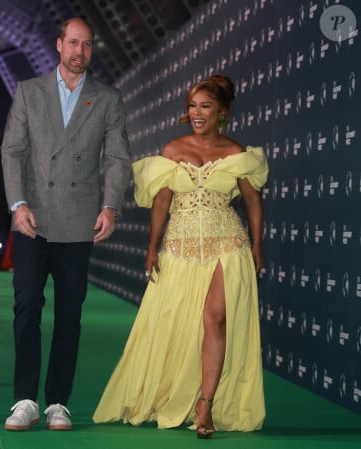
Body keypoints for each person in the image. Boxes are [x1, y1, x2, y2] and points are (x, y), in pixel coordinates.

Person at [92, 74, 268, 438]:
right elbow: (161, 201)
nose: (197, 112)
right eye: (192, 106)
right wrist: (151, 246)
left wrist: (256, 245)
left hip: (227, 244)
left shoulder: (238, 154)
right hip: (181, 247)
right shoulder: (172, 151)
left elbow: (253, 200)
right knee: (179, 323)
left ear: (222, 111)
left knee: (215, 319)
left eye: (205, 106)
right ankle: (175, 394)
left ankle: (206, 405)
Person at [1, 17, 131, 431]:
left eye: (87, 45)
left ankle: (58, 401)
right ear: (58, 45)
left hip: (79, 221)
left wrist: (111, 205)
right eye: (73, 43)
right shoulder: (28, 91)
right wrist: (17, 203)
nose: (80, 52)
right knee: (26, 307)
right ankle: (25, 400)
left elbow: (117, 159)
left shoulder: (108, 98)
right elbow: (12, 151)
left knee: (69, 314)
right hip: (33, 219)